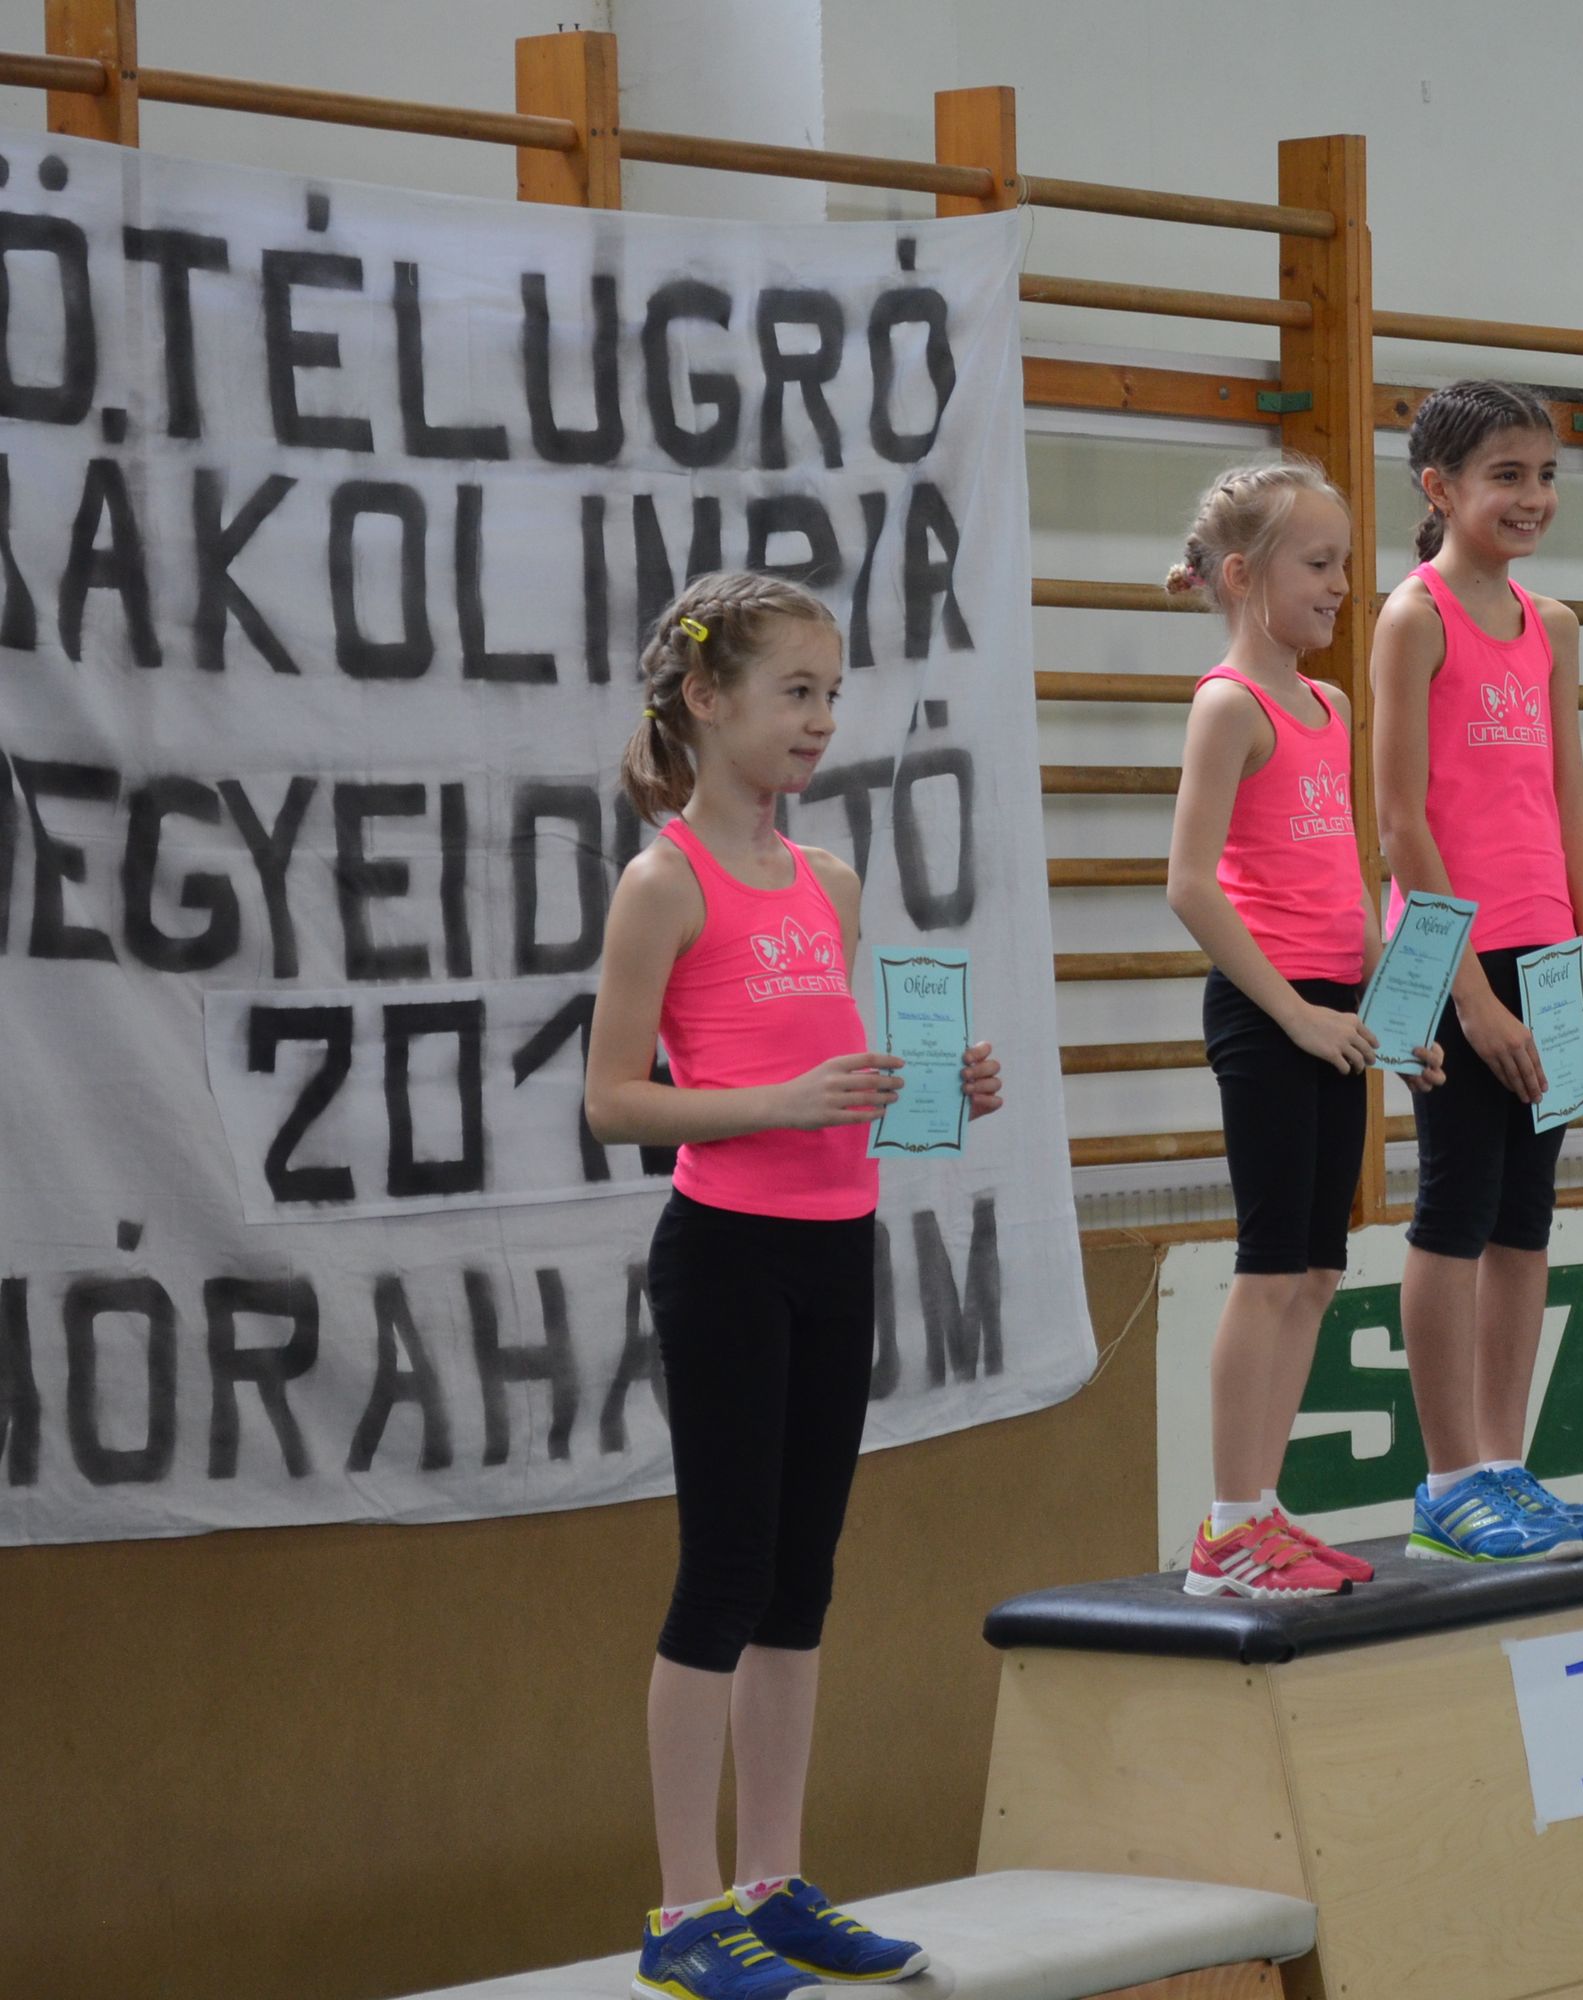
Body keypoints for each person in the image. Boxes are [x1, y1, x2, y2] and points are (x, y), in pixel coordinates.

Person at [586, 572, 1000, 1999]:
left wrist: (937, 1085)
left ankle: (771, 1881)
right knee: (724, 1575)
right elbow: (614, 1101)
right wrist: (778, 1102)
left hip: (838, 1246)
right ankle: (681, 1911)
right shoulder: (663, 882)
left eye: (832, 693)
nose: (822, 720)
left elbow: (833, 1073)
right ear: (706, 699)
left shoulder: (828, 880)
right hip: (728, 1257)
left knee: (799, 1582)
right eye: (796, 693)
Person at [1164, 458, 1444, 1600]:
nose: (1340, 586)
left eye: (1344, 565)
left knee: (1321, 1270)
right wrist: (1292, 1014)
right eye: (1318, 565)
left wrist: (1395, 1014)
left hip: (1334, 1013)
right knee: (1271, 1265)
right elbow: (1190, 884)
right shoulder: (1229, 704)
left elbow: (1345, 886)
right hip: (1269, 1011)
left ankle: (1262, 1505)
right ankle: (1227, 1527)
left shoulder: (1328, 706)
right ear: (1241, 576)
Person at [1374, 381, 1583, 1564]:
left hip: (1549, 948)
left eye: (1545, 475)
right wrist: (1469, 994)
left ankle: (1504, 1464)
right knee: (1456, 1207)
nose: (1532, 497)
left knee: (1526, 1219)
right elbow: (1400, 820)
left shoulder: (1552, 625)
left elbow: (1571, 805)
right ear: (1440, 488)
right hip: (1448, 956)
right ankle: (1447, 1480)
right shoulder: (1413, 617)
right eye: (1505, 476)